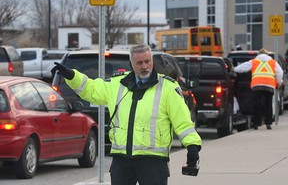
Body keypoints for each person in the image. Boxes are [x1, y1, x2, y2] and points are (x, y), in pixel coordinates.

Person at [52, 44, 202, 185]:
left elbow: (183, 122)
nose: (144, 66)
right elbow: (90, 89)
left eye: (147, 61)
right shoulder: (117, 85)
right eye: (139, 63)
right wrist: (71, 76)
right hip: (122, 161)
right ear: (132, 64)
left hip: (153, 162)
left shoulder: (168, 88)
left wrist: (192, 146)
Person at [233, 48, 283, 130]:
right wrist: (278, 82)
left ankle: (256, 124)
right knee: (268, 104)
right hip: (269, 85)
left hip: (257, 85)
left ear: (259, 54)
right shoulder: (273, 62)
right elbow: (279, 72)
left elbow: (243, 67)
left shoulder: (254, 61)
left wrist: (234, 69)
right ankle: (268, 123)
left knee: (257, 104)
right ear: (267, 54)